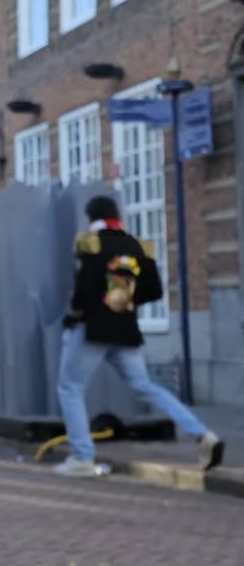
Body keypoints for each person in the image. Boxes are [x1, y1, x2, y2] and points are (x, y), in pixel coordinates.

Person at [56, 195, 224, 477]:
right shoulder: (136, 246)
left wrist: (73, 316)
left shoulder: (91, 243)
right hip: (126, 330)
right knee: (146, 386)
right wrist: (122, 298)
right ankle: (203, 433)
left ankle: (82, 456)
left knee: (70, 387)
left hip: (93, 330)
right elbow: (154, 290)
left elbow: (83, 291)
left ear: (91, 217)